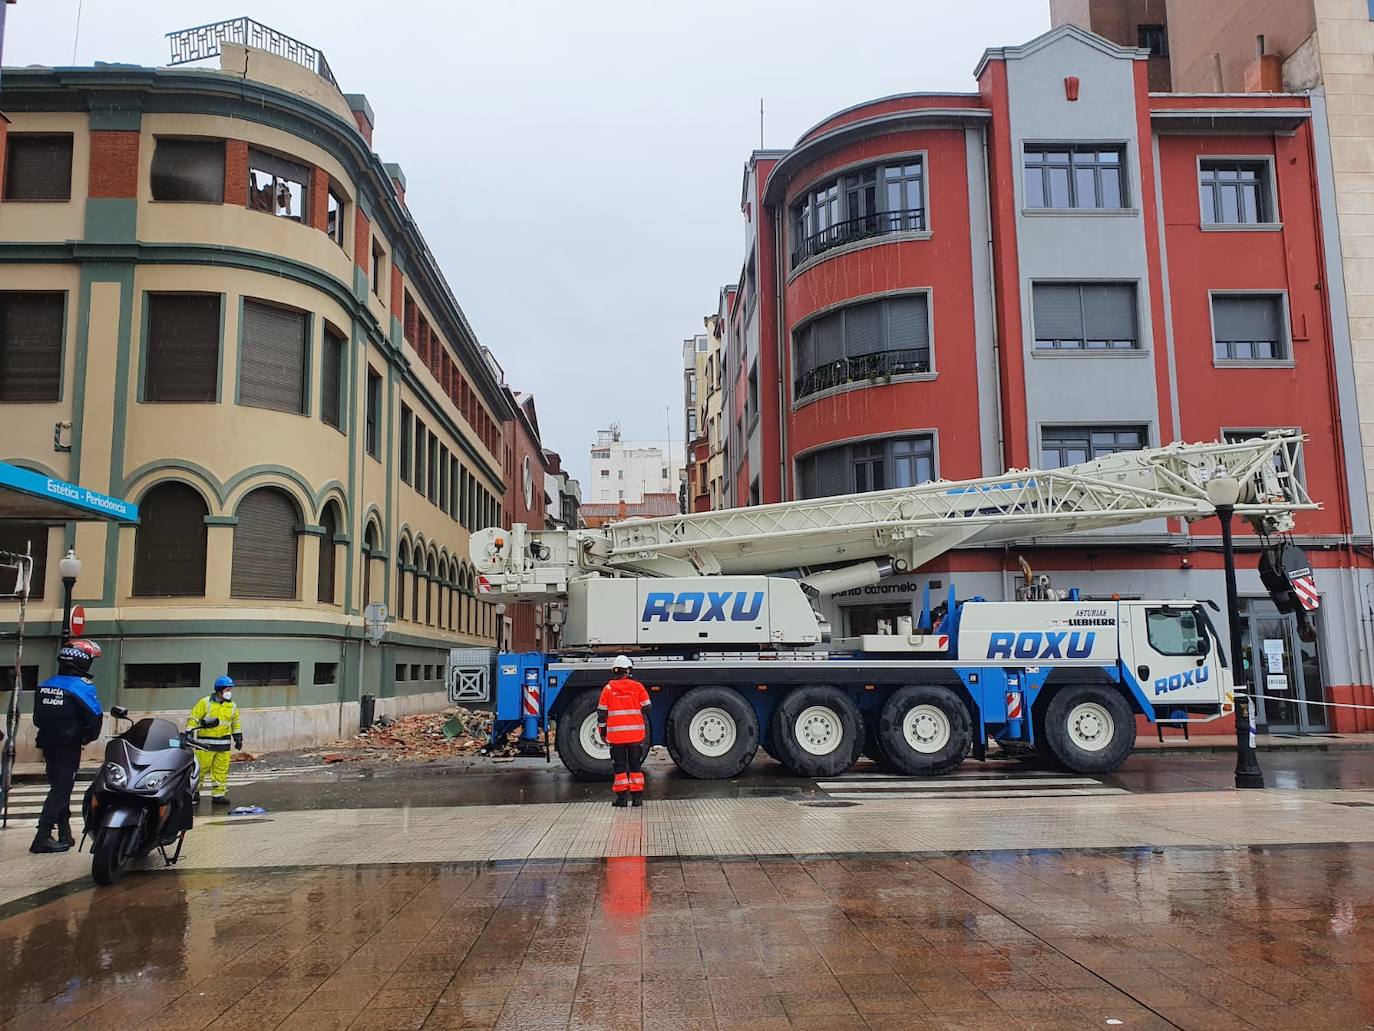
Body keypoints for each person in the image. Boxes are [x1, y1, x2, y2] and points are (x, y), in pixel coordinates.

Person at [30, 640, 103, 854]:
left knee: (61, 787)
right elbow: (95, 719)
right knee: (61, 790)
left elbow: (37, 719)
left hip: (48, 744)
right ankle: (42, 836)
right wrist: (86, 737)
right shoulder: (81, 687)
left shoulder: (45, 685)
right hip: (68, 746)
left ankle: (64, 832)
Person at [597, 655, 650, 808]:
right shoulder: (638, 687)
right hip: (635, 736)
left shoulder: (608, 689)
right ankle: (637, 799)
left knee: (620, 768)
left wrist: (602, 731)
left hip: (616, 737)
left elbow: (601, 713)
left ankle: (621, 800)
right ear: (628, 670)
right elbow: (647, 707)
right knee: (635, 766)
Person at [187, 676, 242, 808]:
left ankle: (218, 795)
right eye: (227, 689)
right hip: (205, 745)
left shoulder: (232, 705)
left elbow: (235, 722)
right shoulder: (206, 703)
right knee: (200, 770)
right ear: (220, 690)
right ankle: (194, 792)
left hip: (223, 744)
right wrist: (189, 731)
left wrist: (238, 736)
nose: (229, 692)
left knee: (221, 770)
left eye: (230, 689)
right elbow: (194, 717)